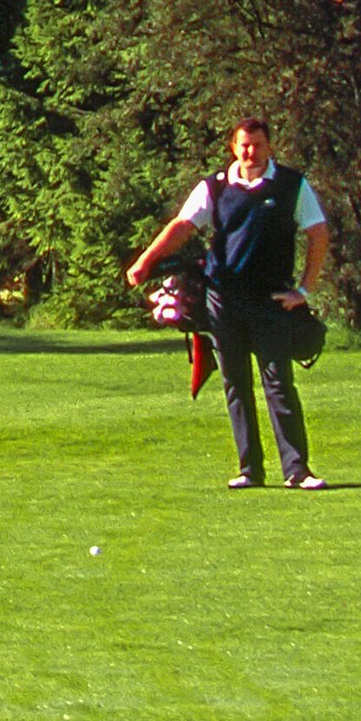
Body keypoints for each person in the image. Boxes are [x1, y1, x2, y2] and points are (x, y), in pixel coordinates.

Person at [125, 117, 331, 492]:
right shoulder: (215, 187)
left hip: (270, 300)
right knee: (235, 384)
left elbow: (318, 234)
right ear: (234, 148)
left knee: (278, 383)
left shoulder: (291, 185)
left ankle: (297, 470)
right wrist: (145, 262)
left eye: (257, 144)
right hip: (223, 298)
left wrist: (305, 290)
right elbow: (182, 226)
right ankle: (250, 470)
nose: (250, 151)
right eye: (243, 145)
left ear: (269, 147)